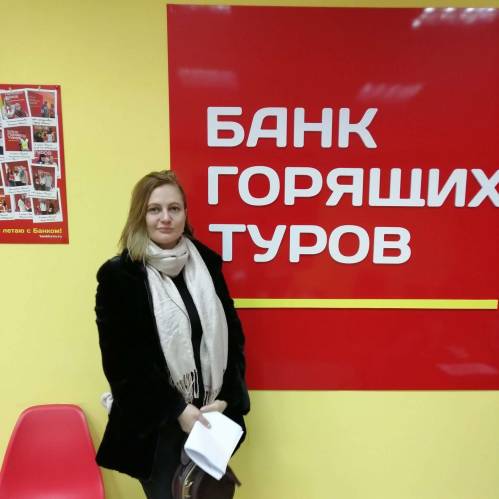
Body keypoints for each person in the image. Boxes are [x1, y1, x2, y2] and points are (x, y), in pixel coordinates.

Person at [94, 170, 249, 499]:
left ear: (185, 214)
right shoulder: (120, 277)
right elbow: (123, 364)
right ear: (141, 215)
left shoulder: (206, 265)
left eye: (174, 208)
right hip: (156, 428)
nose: (165, 218)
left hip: (208, 420)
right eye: (155, 209)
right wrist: (177, 409)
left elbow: (233, 338)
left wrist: (227, 398)